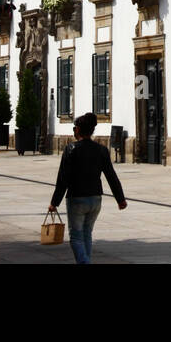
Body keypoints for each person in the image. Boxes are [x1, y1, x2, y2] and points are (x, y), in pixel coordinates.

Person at [49, 112, 127, 263]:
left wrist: (54, 202)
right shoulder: (101, 150)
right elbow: (111, 176)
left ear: (78, 130)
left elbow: (62, 179)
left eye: (74, 129)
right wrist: (120, 199)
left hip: (77, 198)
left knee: (76, 237)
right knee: (87, 234)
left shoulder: (70, 149)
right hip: (95, 199)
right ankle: (86, 260)